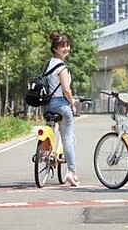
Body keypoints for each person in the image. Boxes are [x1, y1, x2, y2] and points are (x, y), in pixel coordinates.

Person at [44, 31, 79, 186]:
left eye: (67, 46)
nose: (66, 49)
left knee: (50, 130)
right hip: (60, 104)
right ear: (55, 49)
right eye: (62, 46)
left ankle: (45, 154)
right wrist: (72, 104)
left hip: (46, 105)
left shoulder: (48, 64)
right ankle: (72, 172)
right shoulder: (61, 67)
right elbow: (66, 89)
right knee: (67, 137)